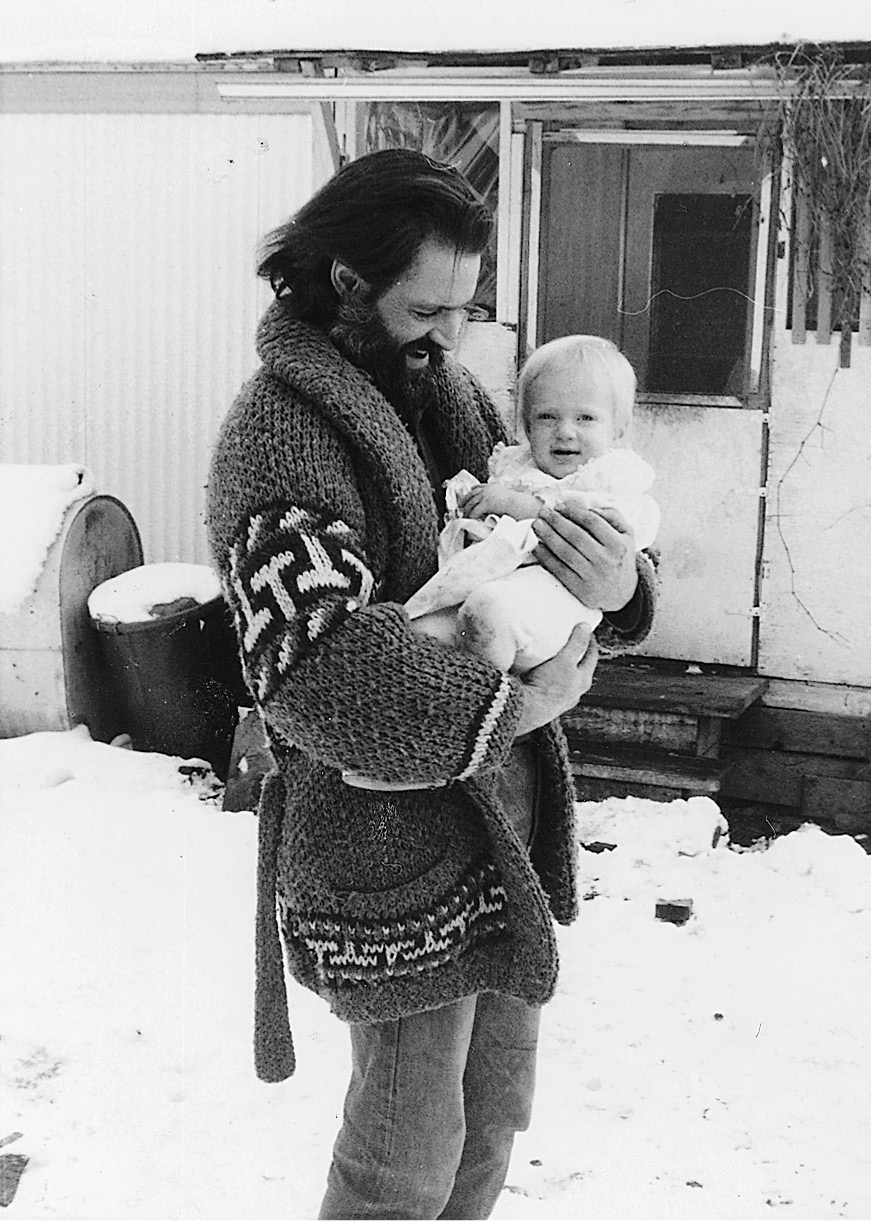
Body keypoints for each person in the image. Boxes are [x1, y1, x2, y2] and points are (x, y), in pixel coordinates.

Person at [206, 149, 656, 1220]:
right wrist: (514, 703)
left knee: (493, 1116)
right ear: (346, 284)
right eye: (428, 308)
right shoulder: (275, 435)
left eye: (467, 307)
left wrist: (621, 581)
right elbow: (311, 663)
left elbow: (547, 524)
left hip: (498, 820)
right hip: (382, 841)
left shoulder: (445, 389)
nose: (452, 336)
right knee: (402, 1150)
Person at [406, 334, 660, 673]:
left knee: (488, 613)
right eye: (546, 417)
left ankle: (491, 702)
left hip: (555, 599)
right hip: (492, 587)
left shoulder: (608, 475)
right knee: (421, 633)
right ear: (525, 424)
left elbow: (594, 527)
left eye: (585, 418)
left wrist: (515, 505)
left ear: (618, 428)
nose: (565, 431)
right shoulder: (519, 467)